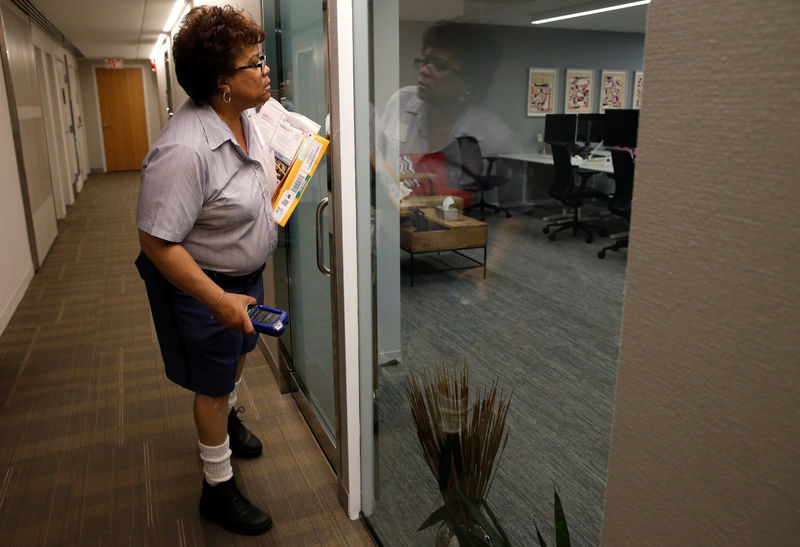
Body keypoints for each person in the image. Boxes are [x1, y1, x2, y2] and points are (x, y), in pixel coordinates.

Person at [135, 5, 276, 536]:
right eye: (255, 64)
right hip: (205, 285)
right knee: (213, 384)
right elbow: (156, 241)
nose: (266, 71)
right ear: (222, 82)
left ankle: (231, 420)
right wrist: (217, 300)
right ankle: (216, 488)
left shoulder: (245, 116)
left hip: (245, 273)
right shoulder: (183, 149)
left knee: (238, 357)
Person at [378, 21, 518, 195]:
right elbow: (378, 162)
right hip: (396, 216)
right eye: (425, 61)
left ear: (470, 80)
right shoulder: (401, 102)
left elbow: (515, 212)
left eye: (440, 66)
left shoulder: (494, 135)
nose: (424, 71)